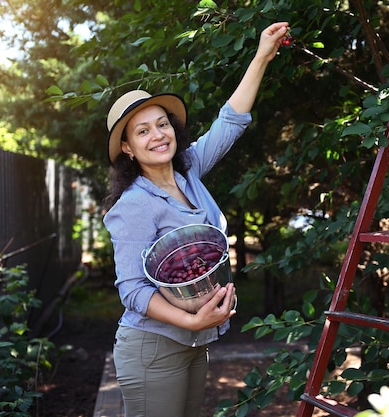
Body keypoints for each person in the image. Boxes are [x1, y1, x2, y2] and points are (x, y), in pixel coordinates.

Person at [102, 22, 291, 417]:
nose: (158, 135)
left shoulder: (189, 171)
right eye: (142, 131)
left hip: (194, 341)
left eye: (163, 124)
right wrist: (189, 323)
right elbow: (132, 291)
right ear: (128, 148)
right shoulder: (134, 204)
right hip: (153, 347)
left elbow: (230, 121)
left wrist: (262, 56)